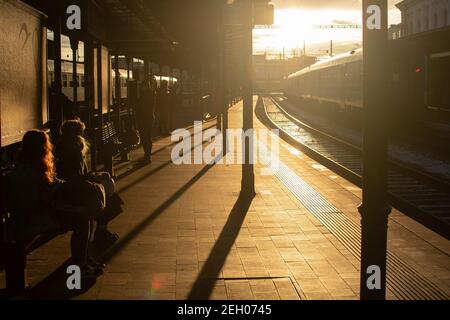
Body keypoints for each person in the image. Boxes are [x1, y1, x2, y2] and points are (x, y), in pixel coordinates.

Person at [7, 130, 100, 276]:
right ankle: (80, 267)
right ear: (42, 147)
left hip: (42, 212)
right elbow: (31, 203)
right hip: (32, 219)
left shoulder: (33, 165)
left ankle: (83, 261)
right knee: (82, 218)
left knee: (85, 212)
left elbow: (53, 184)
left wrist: (70, 185)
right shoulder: (27, 172)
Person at [55, 119, 121, 251]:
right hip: (73, 193)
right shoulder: (75, 151)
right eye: (82, 132)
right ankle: (101, 233)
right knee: (108, 199)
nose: (84, 134)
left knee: (105, 196)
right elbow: (77, 177)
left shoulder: (63, 147)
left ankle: (101, 233)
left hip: (72, 189)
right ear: (77, 134)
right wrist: (96, 177)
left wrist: (95, 176)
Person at [136, 79, 156, 163]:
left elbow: (140, 106)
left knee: (145, 137)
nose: (142, 88)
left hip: (144, 118)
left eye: (143, 86)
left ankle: (147, 155)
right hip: (149, 117)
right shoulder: (152, 94)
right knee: (147, 136)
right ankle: (147, 154)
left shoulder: (144, 95)